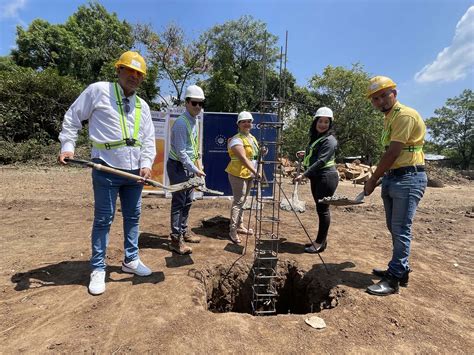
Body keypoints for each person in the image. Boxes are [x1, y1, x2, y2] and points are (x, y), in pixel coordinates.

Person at [58, 51, 156, 295]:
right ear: (119, 69)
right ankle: (98, 267)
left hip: (134, 172)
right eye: (130, 70)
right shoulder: (97, 91)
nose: (134, 76)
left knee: (133, 216)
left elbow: (148, 139)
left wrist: (146, 162)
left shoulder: (142, 105)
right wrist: (67, 147)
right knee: (104, 218)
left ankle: (130, 260)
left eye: (139, 74)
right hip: (105, 167)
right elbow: (72, 117)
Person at [364, 76, 427, 296]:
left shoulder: (405, 116)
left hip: (408, 178)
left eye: (384, 95)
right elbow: (391, 155)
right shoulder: (389, 117)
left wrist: (373, 179)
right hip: (394, 177)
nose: (380, 101)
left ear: (395, 93)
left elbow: (393, 152)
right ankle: (401, 269)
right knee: (394, 226)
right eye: (375, 98)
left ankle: (393, 280)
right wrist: (382, 176)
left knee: (400, 228)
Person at [167, 84, 206, 255]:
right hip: (178, 166)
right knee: (178, 202)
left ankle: (183, 231)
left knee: (188, 200)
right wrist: (194, 169)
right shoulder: (181, 124)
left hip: (189, 167)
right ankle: (176, 239)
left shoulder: (194, 119)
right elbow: (182, 153)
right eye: (194, 103)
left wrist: (198, 165)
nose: (198, 106)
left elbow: (192, 148)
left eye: (201, 103)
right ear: (187, 103)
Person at [294, 107, 339, 254]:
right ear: (315, 122)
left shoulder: (330, 140)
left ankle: (319, 243)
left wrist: (304, 174)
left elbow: (321, 160)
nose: (323, 124)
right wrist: (305, 153)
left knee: (323, 210)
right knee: (321, 210)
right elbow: (315, 154)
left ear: (330, 124)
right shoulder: (319, 138)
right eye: (321, 121)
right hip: (319, 177)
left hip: (326, 178)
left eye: (326, 122)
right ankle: (321, 241)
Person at [225, 111, 261, 244]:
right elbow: (243, 158)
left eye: (249, 121)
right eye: (244, 121)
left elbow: (254, 157)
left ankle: (240, 225)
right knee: (238, 201)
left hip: (249, 174)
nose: (247, 123)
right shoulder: (236, 139)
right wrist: (255, 171)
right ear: (238, 124)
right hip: (237, 173)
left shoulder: (252, 138)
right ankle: (232, 230)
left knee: (243, 201)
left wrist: (261, 153)